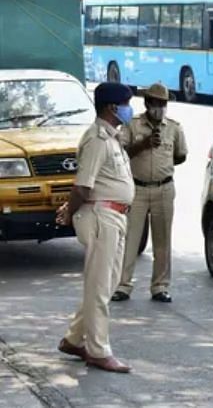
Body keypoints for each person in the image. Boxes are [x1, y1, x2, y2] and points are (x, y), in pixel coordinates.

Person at [55, 82, 135, 373]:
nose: (130, 109)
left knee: (107, 283)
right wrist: (69, 211)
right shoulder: (98, 139)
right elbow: (83, 186)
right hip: (102, 217)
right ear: (113, 107)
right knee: (100, 286)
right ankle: (98, 350)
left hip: (114, 216)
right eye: (127, 103)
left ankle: (75, 338)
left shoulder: (112, 137)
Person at [112, 83, 188, 303]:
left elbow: (181, 155)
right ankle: (123, 285)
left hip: (164, 188)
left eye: (163, 104)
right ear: (147, 103)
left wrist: (163, 166)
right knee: (130, 239)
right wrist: (143, 145)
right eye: (156, 103)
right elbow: (120, 152)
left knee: (163, 239)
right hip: (137, 188)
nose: (160, 107)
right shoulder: (132, 125)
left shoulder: (174, 127)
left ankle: (160, 286)